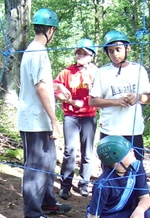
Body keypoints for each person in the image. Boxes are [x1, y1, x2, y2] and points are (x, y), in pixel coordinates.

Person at [18, 8, 71, 218]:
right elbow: (39, 88)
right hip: (35, 120)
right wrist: (54, 119)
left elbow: (35, 84)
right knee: (36, 167)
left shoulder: (32, 51)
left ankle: (47, 202)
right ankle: (32, 212)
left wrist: (56, 89)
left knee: (48, 162)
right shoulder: (38, 51)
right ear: (51, 30)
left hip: (38, 119)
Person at [89, 30, 150, 161]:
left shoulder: (138, 69)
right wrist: (115, 102)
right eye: (111, 51)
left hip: (133, 130)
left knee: (135, 168)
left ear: (127, 48)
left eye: (118, 49)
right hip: (110, 130)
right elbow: (92, 101)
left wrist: (138, 97)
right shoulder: (102, 72)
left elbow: (149, 97)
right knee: (110, 172)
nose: (115, 54)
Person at [54, 38, 99, 199]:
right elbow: (55, 89)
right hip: (71, 116)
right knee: (69, 151)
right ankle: (65, 186)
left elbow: (103, 92)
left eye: (84, 53)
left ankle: (84, 184)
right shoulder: (66, 72)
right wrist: (70, 100)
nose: (80, 56)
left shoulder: (96, 72)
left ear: (91, 56)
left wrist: (91, 84)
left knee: (87, 153)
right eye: (78, 53)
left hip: (89, 116)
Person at [87, 135, 150, 218]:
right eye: (128, 151)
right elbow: (93, 216)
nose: (132, 150)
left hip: (126, 213)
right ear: (117, 161)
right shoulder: (103, 184)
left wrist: (139, 210)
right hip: (106, 216)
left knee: (149, 215)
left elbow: (145, 197)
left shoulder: (137, 167)